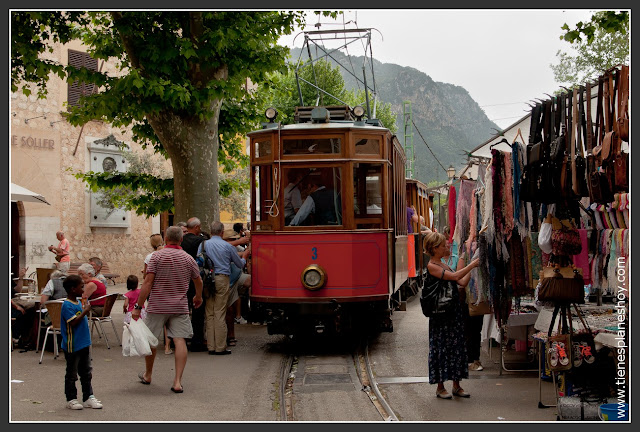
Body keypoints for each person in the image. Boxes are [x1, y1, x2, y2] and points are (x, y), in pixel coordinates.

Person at [133, 226, 203, 394]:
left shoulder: (156, 257)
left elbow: (148, 283)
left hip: (158, 305)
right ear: (181, 240)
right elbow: (198, 280)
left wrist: (138, 306)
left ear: (165, 238)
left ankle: (148, 374)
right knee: (180, 340)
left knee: (152, 340)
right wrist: (198, 296)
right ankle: (177, 381)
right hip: (179, 306)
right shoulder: (188, 258)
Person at [424, 232, 479, 399]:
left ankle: (457, 385)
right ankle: (440, 387)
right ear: (434, 248)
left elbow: (461, 281)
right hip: (441, 315)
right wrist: (472, 265)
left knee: (456, 348)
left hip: (453, 313)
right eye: (442, 245)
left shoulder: (443, 264)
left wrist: (472, 268)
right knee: (442, 348)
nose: (446, 247)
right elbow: (455, 276)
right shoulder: (432, 266)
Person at [198, 221, 248, 355]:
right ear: (222, 232)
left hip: (207, 279)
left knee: (209, 313)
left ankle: (211, 345)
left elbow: (199, 262)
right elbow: (239, 264)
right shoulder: (227, 246)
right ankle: (220, 347)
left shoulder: (203, 245)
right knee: (220, 312)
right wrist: (245, 256)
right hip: (221, 277)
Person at [60, 274, 103, 410]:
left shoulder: (78, 302)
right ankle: (71, 398)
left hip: (84, 343)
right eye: (81, 286)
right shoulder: (67, 305)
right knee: (72, 373)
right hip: (73, 345)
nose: (83, 289)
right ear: (73, 289)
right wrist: (85, 311)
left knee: (86, 372)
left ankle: (88, 397)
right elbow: (73, 322)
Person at [181, 217, 207, 352]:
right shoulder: (201, 242)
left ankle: (179, 340)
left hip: (181, 280)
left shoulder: (181, 240)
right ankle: (197, 341)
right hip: (195, 279)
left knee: (183, 311)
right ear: (196, 227)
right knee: (198, 311)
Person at [143, 233, 172, 355]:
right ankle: (167, 346)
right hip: (169, 288)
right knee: (169, 320)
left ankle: (151, 346)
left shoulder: (149, 257)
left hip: (154, 290)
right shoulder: (169, 254)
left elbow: (146, 276)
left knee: (154, 319)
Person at [222, 229, 252, 337]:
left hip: (236, 277)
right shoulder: (224, 248)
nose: (235, 241)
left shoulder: (231, 248)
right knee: (229, 310)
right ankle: (230, 335)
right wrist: (244, 256)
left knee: (252, 281)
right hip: (228, 281)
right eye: (233, 239)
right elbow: (239, 261)